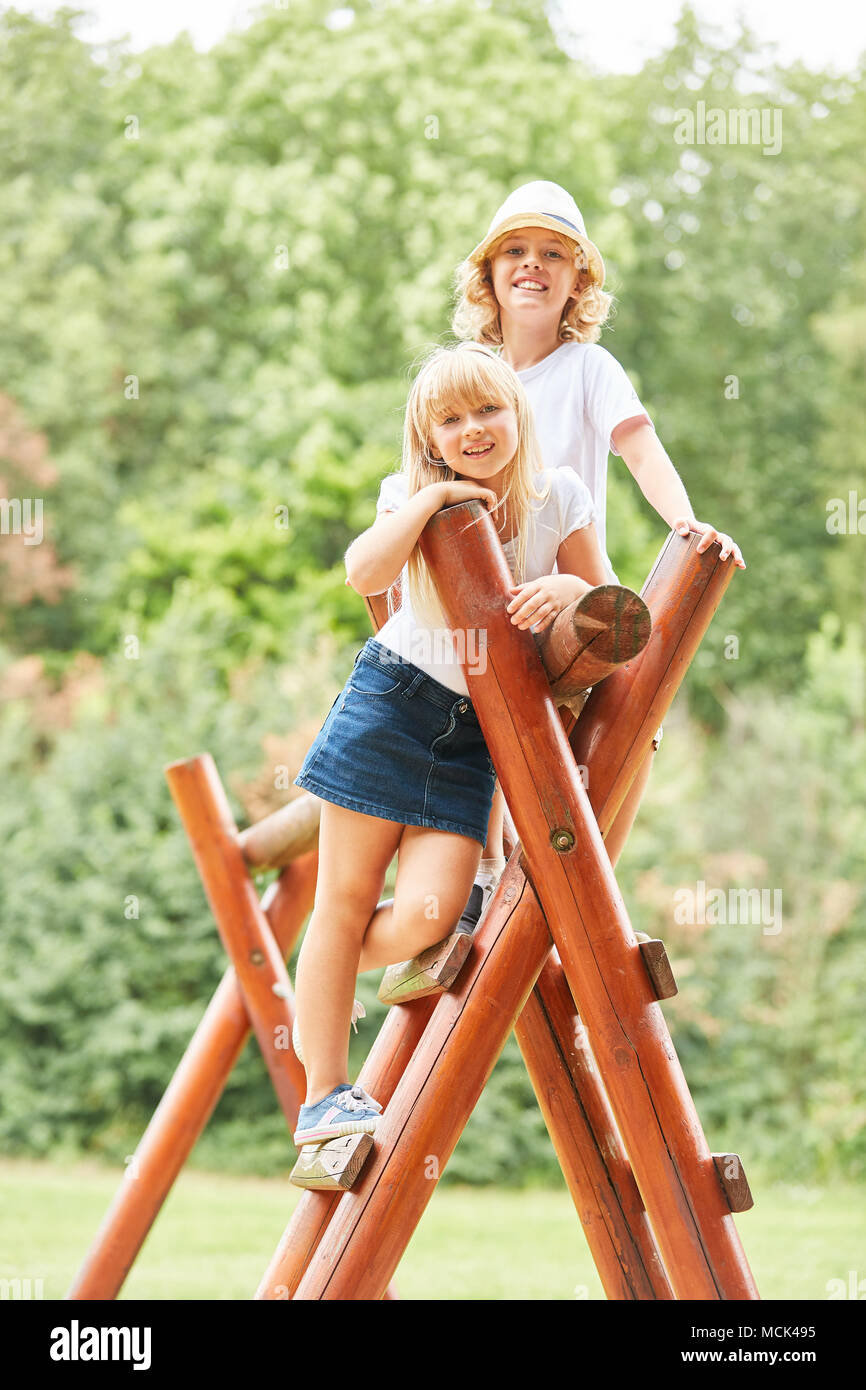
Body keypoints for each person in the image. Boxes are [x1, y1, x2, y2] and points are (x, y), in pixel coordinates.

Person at [290, 341, 611, 1150]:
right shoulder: (412, 493)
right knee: (343, 901)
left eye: (488, 410)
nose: (473, 428)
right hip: (391, 706)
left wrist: (570, 589)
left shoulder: (558, 495)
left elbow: (608, 602)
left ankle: (318, 975)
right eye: (451, 418)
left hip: (474, 735)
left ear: (518, 413)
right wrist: (433, 500)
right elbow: (365, 573)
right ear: (429, 435)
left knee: (437, 915)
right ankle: (325, 1091)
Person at [451, 180, 747, 873]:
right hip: (490, 594)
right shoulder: (474, 380)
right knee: (489, 719)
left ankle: (594, 889)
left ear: (578, 278)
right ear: (489, 276)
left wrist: (687, 526)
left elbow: (638, 446)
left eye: (553, 253)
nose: (533, 264)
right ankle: (486, 872)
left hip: (567, 588)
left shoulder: (587, 368)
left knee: (633, 720)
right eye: (515, 251)